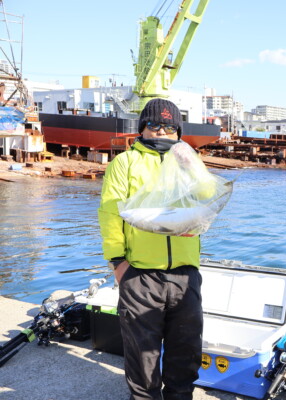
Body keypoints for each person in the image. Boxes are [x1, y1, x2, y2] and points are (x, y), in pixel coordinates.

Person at [98, 98, 204, 400]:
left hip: (185, 274)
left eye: (169, 127)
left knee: (186, 352)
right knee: (142, 359)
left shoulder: (188, 161)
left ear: (179, 132)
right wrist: (118, 263)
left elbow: (209, 197)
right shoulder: (125, 163)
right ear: (142, 128)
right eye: (154, 125)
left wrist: (192, 166)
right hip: (140, 275)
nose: (162, 131)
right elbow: (109, 214)